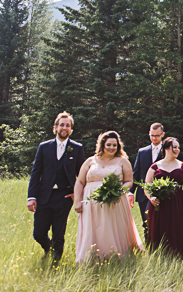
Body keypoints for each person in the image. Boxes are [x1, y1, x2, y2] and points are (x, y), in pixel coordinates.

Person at [74, 131, 144, 263]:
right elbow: (79, 182)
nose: (112, 148)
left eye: (115, 145)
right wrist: (78, 201)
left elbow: (129, 182)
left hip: (114, 200)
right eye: (109, 145)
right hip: (91, 201)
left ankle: (113, 256)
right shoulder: (90, 160)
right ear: (102, 145)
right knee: (93, 227)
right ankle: (91, 256)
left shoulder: (123, 161)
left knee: (111, 227)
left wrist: (117, 190)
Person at [27, 112, 85, 263]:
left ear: (71, 129)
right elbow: (36, 173)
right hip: (44, 196)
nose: (64, 128)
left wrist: (76, 194)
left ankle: (55, 265)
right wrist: (31, 197)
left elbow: (82, 175)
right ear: (55, 128)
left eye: (68, 125)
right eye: (62, 125)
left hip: (64, 197)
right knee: (38, 233)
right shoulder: (44, 147)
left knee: (58, 234)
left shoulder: (77, 148)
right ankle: (49, 250)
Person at [145, 137, 183, 257]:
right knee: (159, 228)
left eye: (178, 147)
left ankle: (178, 256)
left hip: (178, 203)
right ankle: (158, 256)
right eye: (174, 147)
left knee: (177, 228)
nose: (177, 150)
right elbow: (146, 186)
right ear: (166, 148)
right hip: (159, 204)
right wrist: (151, 197)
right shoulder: (155, 166)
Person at [130, 123, 165, 240]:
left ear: (162, 135)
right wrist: (131, 192)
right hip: (143, 194)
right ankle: (150, 249)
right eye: (152, 135)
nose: (154, 138)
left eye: (157, 136)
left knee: (161, 223)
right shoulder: (142, 152)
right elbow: (136, 173)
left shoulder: (167, 151)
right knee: (146, 222)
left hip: (163, 193)